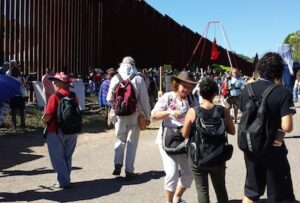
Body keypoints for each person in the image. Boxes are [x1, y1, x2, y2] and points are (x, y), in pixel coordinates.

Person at [239, 52, 296, 203]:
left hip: (251, 146)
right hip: (273, 148)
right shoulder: (282, 92)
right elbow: (287, 126)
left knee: (251, 192)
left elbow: (243, 113)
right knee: (279, 194)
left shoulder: (246, 90)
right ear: (278, 70)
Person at [182, 78, 235, 203]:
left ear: (200, 93)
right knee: (220, 188)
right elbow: (232, 131)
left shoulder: (193, 111)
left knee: (202, 190)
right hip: (218, 155)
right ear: (215, 93)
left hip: (198, 156)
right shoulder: (223, 111)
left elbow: (185, 134)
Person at [151, 71, 196, 203]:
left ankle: (177, 197)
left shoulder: (192, 99)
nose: (186, 89)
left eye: (189, 87)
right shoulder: (168, 96)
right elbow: (154, 115)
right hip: (167, 139)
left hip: (184, 140)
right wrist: (170, 112)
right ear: (177, 84)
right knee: (172, 173)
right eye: (184, 86)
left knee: (189, 174)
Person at [106, 56, 151, 179]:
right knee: (132, 142)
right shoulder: (138, 78)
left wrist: (117, 107)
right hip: (134, 114)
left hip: (119, 114)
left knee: (119, 138)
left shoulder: (116, 77)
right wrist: (147, 116)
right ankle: (129, 170)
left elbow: (109, 98)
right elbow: (144, 100)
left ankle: (117, 163)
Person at [41, 72, 78, 189]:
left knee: (57, 157)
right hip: (72, 130)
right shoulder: (74, 95)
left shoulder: (54, 97)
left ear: (60, 84)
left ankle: (63, 181)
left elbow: (48, 115)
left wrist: (43, 121)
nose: (53, 83)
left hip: (56, 130)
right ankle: (66, 178)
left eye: (55, 81)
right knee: (67, 156)